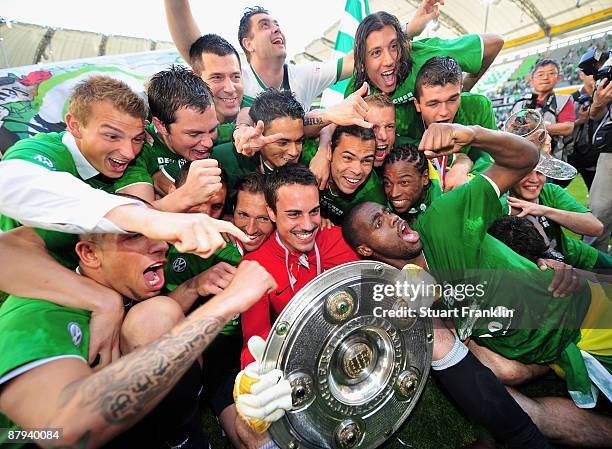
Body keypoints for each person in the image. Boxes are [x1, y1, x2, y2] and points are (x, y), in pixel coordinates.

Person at [342, 122, 612, 446]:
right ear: (366, 250)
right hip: (553, 352)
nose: (394, 219)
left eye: (386, 213)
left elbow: (525, 158)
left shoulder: (443, 221)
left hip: (587, 315)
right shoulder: (410, 292)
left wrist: (472, 135)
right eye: (378, 223)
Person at [0, 75, 248, 367]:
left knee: (157, 318)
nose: (128, 151)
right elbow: (10, 184)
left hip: (106, 296)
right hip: (36, 300)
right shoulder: (43, 153)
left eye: (136, 139)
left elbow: (140, 215)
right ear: (74, 125)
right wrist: (169, 210)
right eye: (111, 136)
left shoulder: (124, 163)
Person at [0, 220, 277, 449]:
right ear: (90, 254)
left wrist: (193, 287)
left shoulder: (119, 284)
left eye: (157, 234)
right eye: (133, 236)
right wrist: (228, 303)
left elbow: (154, 324)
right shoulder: (35, 316)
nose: (161, 246)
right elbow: (62, 431)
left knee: (159, 314)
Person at [164, 172, 276, 448]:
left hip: (268, 347)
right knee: (255, 439)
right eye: (243, 215)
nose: (251, 227)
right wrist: (195, 285)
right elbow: (163, 314)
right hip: (218, 352)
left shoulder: (285, 243)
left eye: (262, 218)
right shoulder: (200, 248)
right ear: (232, 213)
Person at [239, 163, 360, 367]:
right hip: (302, 363)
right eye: (294, 214)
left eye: (314, 212)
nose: (307, 225)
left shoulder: (340, 237)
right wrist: (256, 379)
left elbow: (380, 284)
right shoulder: (254, 266)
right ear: (272, 213)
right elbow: (255, 346)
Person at [344, 11, 504, 141]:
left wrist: (459, 91)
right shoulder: (357, 90)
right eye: (376, 52)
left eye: (394, 46)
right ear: (362, 63)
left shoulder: (425, 58)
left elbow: (495, 43)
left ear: (404, 45)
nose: (389, 60)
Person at [114, 65, 223, 209]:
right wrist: (186, 196)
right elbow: (138, 218)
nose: (208, 142)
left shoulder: (223, 134)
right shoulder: (137, 150)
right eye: (194, 134)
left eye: (212, 129)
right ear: (161, 126)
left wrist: (243, 130)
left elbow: (242, 126)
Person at [164, 88, 306, 191]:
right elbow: (166, 176)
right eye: (283, 142)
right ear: (257, 130)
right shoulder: (223, 158)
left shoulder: (314, 159)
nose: (294, 152)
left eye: (299, 141)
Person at [412, 56, 495, 191]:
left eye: (452, 100)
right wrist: (463, 160)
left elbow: (489, 158)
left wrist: (462, 167)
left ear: (461, 90)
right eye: (433, 103)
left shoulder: (479, 107)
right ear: (417, 104)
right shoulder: (403, 121)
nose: (444, 112)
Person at [301, 124, 386, 224]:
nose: (357, 170)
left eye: (366, 161)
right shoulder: (307, 156)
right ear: (329, 151)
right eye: (348, 158)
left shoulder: (373, 199)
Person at [511, 59, 576, 184]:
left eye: (551, 73)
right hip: (521, 159)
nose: (545, 77)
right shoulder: (520, 104)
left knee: (546, 194)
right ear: (531, 80)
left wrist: (536, 127)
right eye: (540, 74)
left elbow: (568, 128)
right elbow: (510, 129)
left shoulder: (564, 100)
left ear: (559, 78)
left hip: (551, 160)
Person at [383, 143, 442, 219]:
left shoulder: (441, 205)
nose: (394, 194)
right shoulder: (384, 209)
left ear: (425, 178)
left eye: (404, 182)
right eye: (387, 183)